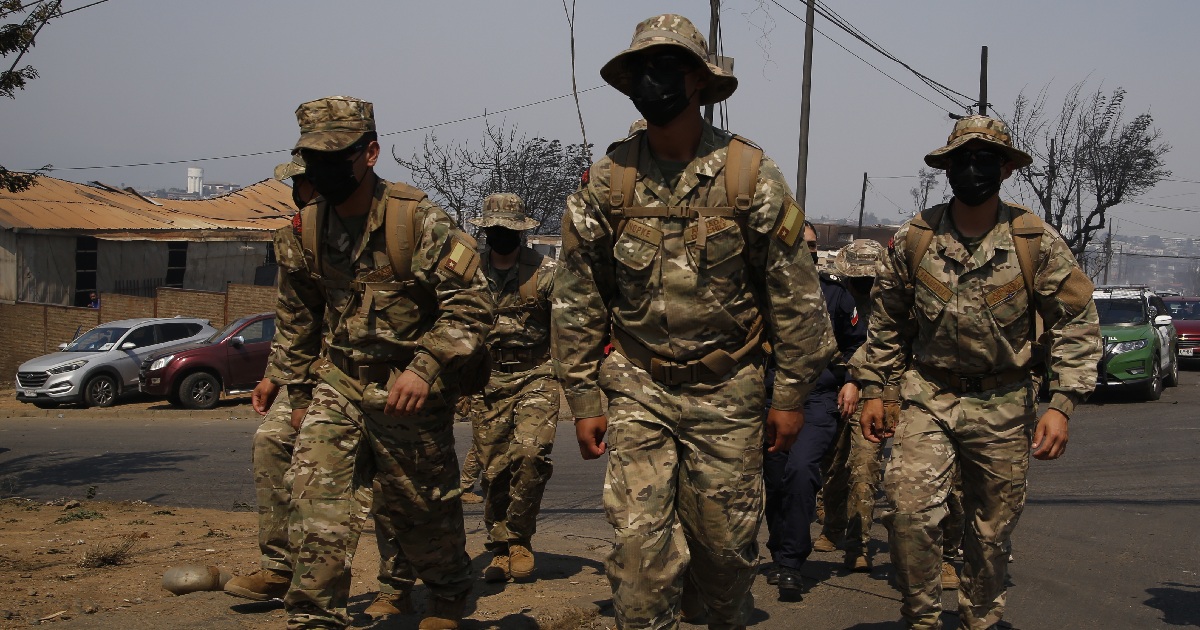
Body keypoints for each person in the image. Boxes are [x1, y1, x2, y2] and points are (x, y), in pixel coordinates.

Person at [552, 14, 835, 629]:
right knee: (636, 556)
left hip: (729, 389)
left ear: (700, 85)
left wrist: (789, 396)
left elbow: (796, 299)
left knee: (726, 555)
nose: (653, 83)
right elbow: (578, 297)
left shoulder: (750, 176)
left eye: (668, 69)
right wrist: (581, 395)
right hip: (637, 386)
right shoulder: (608, 180)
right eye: (641, 71)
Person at [854, 114, 1101, 629]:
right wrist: (878, 388)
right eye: (962, 159)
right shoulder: (915, 240)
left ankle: (980, 619)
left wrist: (1062, 404)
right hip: (929, 395)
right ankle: (920, 618)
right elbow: (888, 321)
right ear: (946, 168)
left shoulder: (1034, 241)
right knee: (907, 514)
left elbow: (1075, 321)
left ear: (1006, 169)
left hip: (1004, 402)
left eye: (985, 159)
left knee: (991, 534)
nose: (972, 169)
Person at [259, 95, 493, 630]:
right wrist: (296, 394)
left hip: (408, 393)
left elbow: (473, 304)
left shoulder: (419, 221)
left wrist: (426, 366)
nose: (324, 169)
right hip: (338, 386)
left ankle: (449, 596)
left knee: (420, 508)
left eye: (336, 156)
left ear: (370, 153)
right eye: (313, 158)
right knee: (315, 502)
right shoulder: (303, 231)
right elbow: (297, 321)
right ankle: (314, 615)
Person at [224, 154, 416, 619]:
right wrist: (277, 375)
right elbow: (296, 317)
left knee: (388, 481)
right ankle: (281, 566)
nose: (304, 191)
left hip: (375, 373)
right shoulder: (297, 234)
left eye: (309, 182)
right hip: (314, 373)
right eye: (299, 183)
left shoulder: (388, 223)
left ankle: (396, 584)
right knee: (273, 443)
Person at [763, 222, 865, 601]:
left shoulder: (835, 295)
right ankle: (779, 548)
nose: (803, 251)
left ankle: (790, 562)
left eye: (809, 245)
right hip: (769, 399)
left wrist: (853, 380)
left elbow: (858, 344)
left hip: (818, 398)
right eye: (795, 244)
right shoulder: (763, 293)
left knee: (802, 470)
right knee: (774, 481)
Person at [463, 193, 559, 584]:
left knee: (530, 454)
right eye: (495, 229)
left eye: (509, 229)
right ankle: (500, 548)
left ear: (522, 232)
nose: (501, 235)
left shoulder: (547, 273)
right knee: (494, 470)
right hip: (486, 380)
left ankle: (519, 538)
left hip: (536, 374)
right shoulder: (468, 274)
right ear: (486, 231)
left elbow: (573, 326)